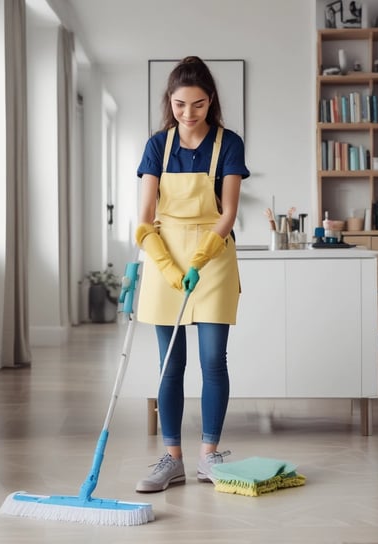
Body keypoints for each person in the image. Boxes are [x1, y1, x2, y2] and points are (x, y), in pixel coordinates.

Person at [134, 56, 250, 493]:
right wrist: (166, 266)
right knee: (170, 365)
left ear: (210, 101)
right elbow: (145, 220)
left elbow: (229, 212)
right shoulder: (156, 146)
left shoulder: (229, 143)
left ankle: (208, 458)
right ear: (170, 101)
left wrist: (200, 259)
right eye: (180, 104)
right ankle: (172, 459)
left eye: (198, 105)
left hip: (213, 257)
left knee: (212, 360)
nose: (188, 114)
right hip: (166, 257)